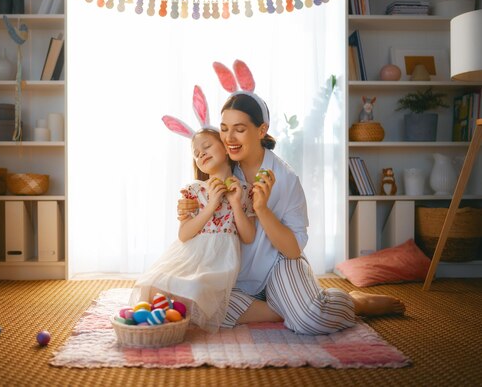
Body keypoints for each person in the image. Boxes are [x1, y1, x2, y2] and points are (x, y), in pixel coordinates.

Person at [178, 63, 405, 335]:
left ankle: (352, 303)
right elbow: (200, 199)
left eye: (239, 129)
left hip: (279, 265)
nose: (229, 138)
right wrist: (187, 207)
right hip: (234, 272)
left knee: (310, 320)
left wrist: (262, 209)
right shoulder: (224, 167)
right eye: (224, 129)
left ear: (261, 130)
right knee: (194, 306)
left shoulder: (285, 178)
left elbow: (293, 249)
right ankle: (284, 306)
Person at [130, 124, 264, 333]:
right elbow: (184, 235)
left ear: (226, 148)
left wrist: (236, 203)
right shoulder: (194, 190)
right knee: (154, 285)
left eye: (207, 146)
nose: (201, 154)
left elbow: (248, 237)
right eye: (197, 154)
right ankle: (169, 313)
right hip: (188, 256)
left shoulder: (244, 190)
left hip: (218, 262)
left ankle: (185, 310)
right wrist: (211, 205)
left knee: (196, 287)